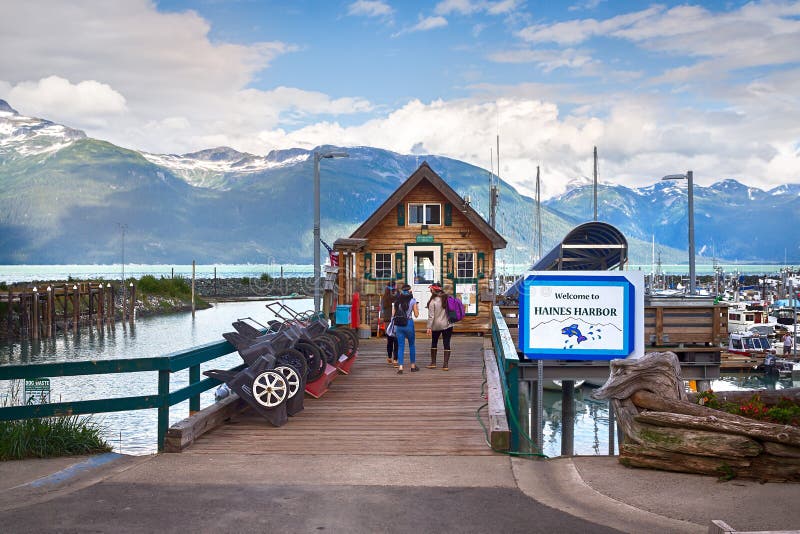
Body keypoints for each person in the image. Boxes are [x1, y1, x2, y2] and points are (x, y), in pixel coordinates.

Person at [425, 283, 454, 370]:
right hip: (448, 324)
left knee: (434, 342)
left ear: (433, 290)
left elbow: (431, 316)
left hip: (436, 325)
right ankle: (445, 365)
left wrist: (428, 327)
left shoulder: (432, 301)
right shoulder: (447, 298)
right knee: (447, 343)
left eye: (431, 289)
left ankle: (433, 363)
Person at [394, 284, 419, 374]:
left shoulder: (397, 301)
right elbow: (416, 315)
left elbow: (393, 315)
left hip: (399, 325)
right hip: (408, 324)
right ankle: (412, 366)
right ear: (409, 291)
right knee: (411, 345)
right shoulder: (413, 301)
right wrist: (416, 307)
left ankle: (400, 367)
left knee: (400, 346)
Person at [380, 281, 398, 366]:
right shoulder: (397, 296)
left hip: (387, 320)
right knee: (396, 340)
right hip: (396, 319)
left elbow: (382, 309)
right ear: (395, 287)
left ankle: (389, 357)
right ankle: (395, 359)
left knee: (389, 339)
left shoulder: (384, 297)